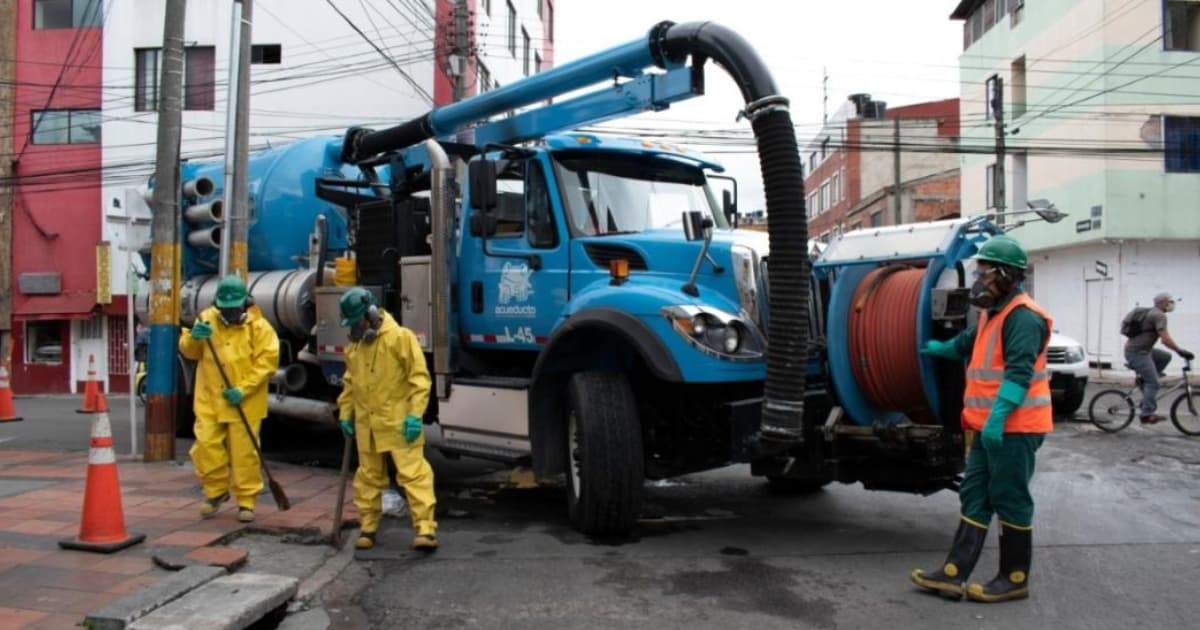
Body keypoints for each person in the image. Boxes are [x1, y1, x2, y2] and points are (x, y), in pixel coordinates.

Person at [910, 234, 1052, 603]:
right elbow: (967, 342)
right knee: (974, 494)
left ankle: (1014, 578)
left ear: (1007, 275)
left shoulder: (1023, 318)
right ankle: (953, 574)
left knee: (1010, 496)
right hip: (990, 428)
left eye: (985, 272)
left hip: (1015, 430)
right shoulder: (995, 313)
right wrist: (939, 348)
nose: (979, 279)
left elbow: (1019, 374)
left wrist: (998, 419)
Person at [335, 287, 438, 551]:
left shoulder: (400, 338)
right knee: (368, 478)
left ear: (370, 314)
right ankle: (368, 527)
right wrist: (346, 413)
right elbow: (349, 384)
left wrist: (415, 415)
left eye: (357, 321)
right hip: (367, 427)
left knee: (413, 475)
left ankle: (425, 529)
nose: (355, 328)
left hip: (398, 423)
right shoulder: (355, 348)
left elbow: (419, 379)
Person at [179, 275, 280, 522]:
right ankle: (216, 492)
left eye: (234, 308)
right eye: (225, 308)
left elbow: (267, 363)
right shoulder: (206, 319)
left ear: (245, 303)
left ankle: (246, 501)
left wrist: (243, 389)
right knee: (205, 446)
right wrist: (194, 337)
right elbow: (189, 352)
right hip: (210, 397)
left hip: (245, 402)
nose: (229, 313)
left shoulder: (260, 327)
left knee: (244, 453)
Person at [1123, 292, 1194, 424]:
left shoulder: (1153, 313)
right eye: (1169, 302)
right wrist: (1180, 351)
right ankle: (1147, 414)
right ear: (1162, 302)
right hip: (1137, 353)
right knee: (1154, 383)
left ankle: (1143, 380)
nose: (1171, 304)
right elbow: (1165, 339)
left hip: (1143, 350)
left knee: (1165, 357)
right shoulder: (1159, 315)